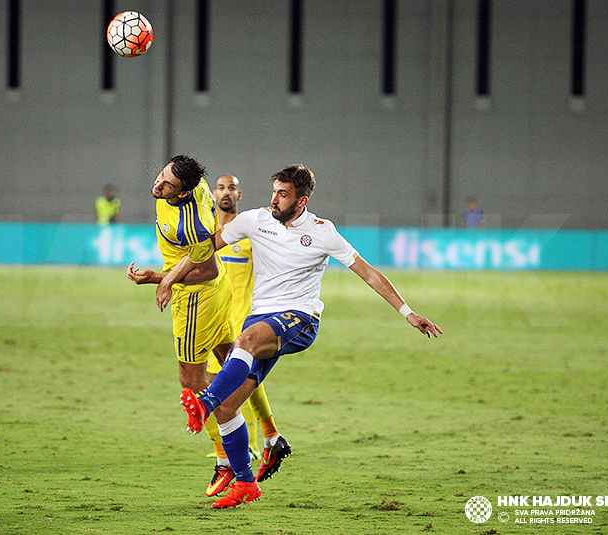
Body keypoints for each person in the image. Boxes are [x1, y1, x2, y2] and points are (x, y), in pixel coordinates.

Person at [165, 164, 442, 508]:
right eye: (274, 192)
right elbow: (206, 248)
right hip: (262, 317)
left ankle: (203, 403)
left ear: (302, 200)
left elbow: (368, 273)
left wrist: (408, 312)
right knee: (228, 407)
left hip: (300, 318)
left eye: (283, 194)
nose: (275, 200)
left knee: (245, 341)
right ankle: (246, 483)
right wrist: (165, 277)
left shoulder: (323, 232)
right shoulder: (256, 220)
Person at [126, 155, 236, 495]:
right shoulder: (194, 185)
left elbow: (207, 269)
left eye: (168, 185)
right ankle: (261, 433)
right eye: (161, 176)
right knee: (234, 365)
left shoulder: (195, 224)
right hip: (217, 296)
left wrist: (160, 279)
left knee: (193, 386)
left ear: (185, 191)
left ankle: (226, 461)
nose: (158, 185)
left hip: (196, 300)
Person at [203, 174, 291, 497]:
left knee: (218, 391)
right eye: (221, 187)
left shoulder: (251, 231)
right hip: (213, 319)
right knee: (234, 386)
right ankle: (266, 438)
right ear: (214, 194)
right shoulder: (210, 234)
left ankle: (226, 460)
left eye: (232, 188)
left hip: (243, 322)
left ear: (240, 193)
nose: (226, 193)